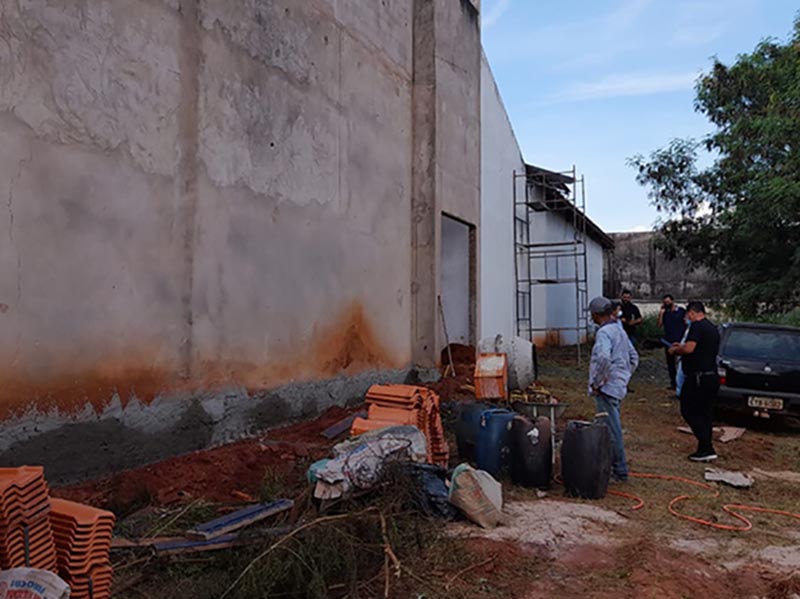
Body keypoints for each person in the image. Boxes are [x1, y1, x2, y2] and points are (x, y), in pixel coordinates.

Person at [588, 297, 639, 482]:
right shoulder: (619, 329)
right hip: (617, 386)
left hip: (607, 388)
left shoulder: (604, 333)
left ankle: (620, 471)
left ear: (595, 314)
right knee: (609, 427)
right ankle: (611, 466)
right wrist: (623, 377)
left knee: (612, 430)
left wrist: (598, 383)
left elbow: (603, 359)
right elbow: (634, 357)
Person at [669, 301, 720, 462]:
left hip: (698, 378)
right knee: (705, 414)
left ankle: (706, 446)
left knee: (688, 409)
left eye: (687, 314)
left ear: (692, 312)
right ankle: (704, 448)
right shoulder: (712, 328)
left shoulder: (697, 327)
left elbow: (689, 349)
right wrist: (682, 345)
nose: (687, 318)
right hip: (711, 376)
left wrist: (676, 350)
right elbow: (699, 348)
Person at [658, 294, 686, 390]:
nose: (667, 304)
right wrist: (661, 313)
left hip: (679, 340)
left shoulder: (681, 311)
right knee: (670, 363)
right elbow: (659, 324)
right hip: (668, 340)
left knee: (681, 362)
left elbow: (686, 322)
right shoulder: (665, 312)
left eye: (668, 302)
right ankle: (673, 382)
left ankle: (681, 382)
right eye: (665, 303)